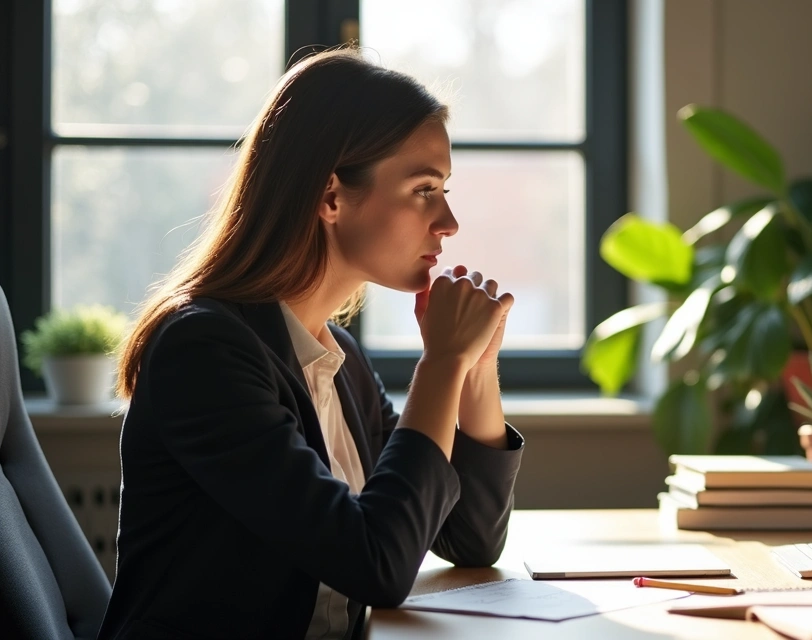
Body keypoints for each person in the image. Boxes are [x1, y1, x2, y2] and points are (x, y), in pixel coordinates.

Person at [95, 49, 523, 640]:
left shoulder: (337, 359)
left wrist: (475, 367)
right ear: (330, 198)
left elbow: (472, 537)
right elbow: (377, 563)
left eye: (444, 189)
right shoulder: (203, 351)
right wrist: (442, 362)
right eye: (424, 189)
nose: (448, 220)